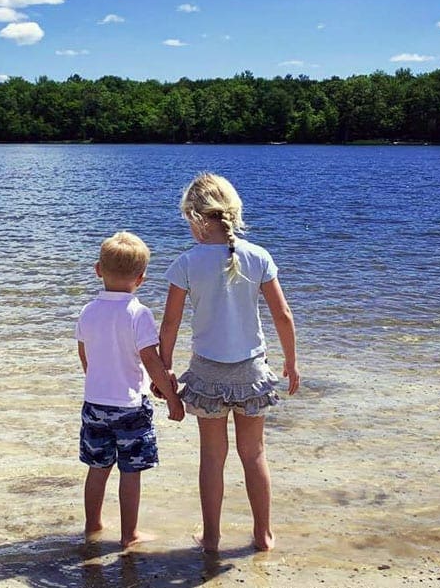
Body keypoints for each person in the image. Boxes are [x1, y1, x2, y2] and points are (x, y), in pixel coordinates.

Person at [158, 173, 299, 553]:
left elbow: (170, 323)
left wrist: (165, 368)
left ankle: (212, 537)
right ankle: (263, 535)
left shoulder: (186, 263)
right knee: (254, 455)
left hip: (207, 373)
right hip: (251, 370)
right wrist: (291, 361)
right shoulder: (259, 256)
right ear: (232, 213)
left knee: (212, 458)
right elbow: (282, 315)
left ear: (194, 216)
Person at [77, 231, 184, 549]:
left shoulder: (88, 311)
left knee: (97, 469)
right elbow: (151, 360)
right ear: (142, 278)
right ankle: (128, 535)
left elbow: (85, 355)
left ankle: (93, 525)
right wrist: (173, 398)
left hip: (95, 403)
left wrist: (97, 380)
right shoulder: (139, 314)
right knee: (130, 472)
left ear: (98, 270)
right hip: (130, 406)